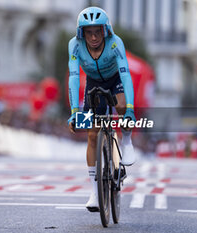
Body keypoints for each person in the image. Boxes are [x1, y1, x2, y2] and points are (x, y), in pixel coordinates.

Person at [67, 6, 136, 212]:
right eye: (89, 33)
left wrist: (131, 110)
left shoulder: (115, 43)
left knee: (122, 106)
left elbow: (126, 75)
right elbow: (73, 77)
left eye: (98, 32)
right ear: (82, 33)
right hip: (93, 84)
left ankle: (126, 141)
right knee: (92, 134)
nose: (94, 37)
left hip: (115, 81)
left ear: (105, 30)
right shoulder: (75, 45)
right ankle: (95, 192)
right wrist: (74, 112)